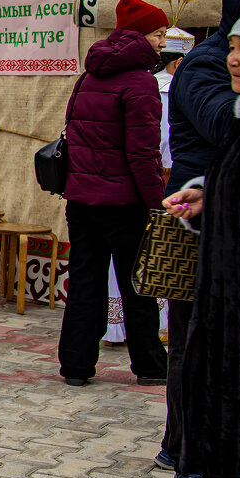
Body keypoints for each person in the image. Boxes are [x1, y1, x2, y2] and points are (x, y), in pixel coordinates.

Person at [151, 6, 240, 478]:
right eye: (234, 46)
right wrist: (207, 195)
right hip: (230, 284)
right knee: (219, 384)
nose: (233, 60)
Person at [55, 0, 168, 387]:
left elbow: (72, 132)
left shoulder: (89, 75)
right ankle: (151, 366)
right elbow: (143, 153)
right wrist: (157, 204)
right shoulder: (141, 82)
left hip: (82, 198)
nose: (163, 41)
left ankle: (76, 365)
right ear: (140, 35)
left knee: (86, 281)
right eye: (158, 32)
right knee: (137, 286)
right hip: (123, 203)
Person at [101, 27, 192, 347]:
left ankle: (117, 326)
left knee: (121, 258)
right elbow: (154, 145)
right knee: (156, 251)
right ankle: (156, 327)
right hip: (155, 181)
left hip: (119, 182)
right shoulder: (155, 89)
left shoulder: (117, 81)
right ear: (178, 63)